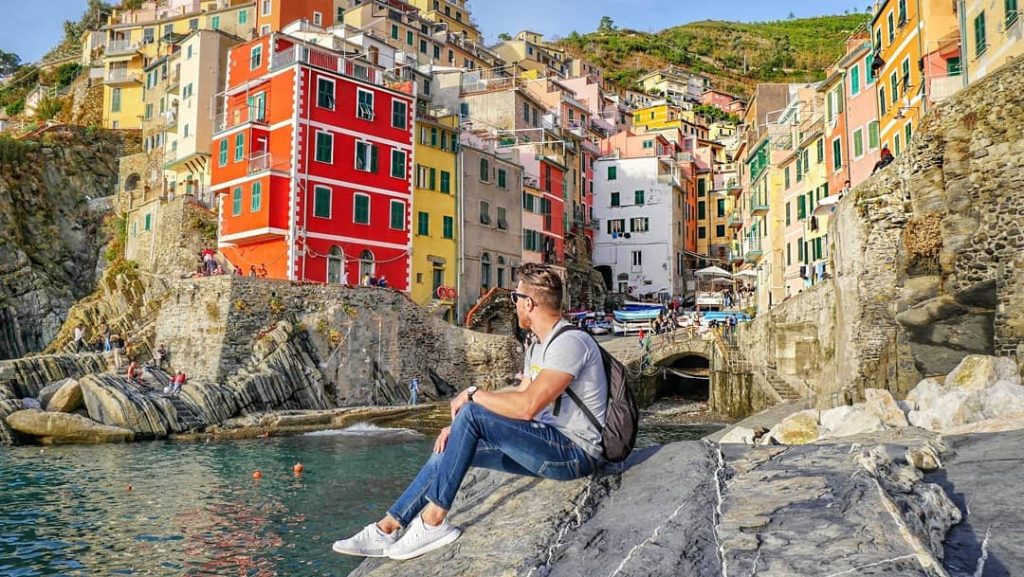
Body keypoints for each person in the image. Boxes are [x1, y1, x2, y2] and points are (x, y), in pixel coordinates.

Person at [332, 263, 607, 560]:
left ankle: (434, 520)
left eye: (516, 298)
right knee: (450, 447)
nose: (514, 305)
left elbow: (527, 407)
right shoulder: (537, 346)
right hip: (546, 445)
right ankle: (388, 527)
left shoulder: (570, 342)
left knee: (473, 413)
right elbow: (517, 394)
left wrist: (473, 396)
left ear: (529, 303)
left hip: (575, 453)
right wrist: (460, 425)